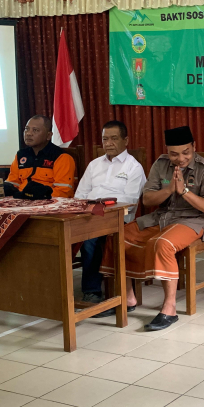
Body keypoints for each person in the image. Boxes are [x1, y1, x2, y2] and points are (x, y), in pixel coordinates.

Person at [101, 125, 204, 331]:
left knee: (162, 243)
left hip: (193, 220)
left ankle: (170, 308)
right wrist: (169, 189)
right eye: (174, 154)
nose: (180, 158)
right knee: (118, 236)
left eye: (185, 152)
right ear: (167, 151)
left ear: (194, 146)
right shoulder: (161, 164)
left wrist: (184, 192)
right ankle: (127, 298)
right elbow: (147, 200)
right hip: (161, 217)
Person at [74, 121, 146, 308]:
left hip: (117, 218)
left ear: (125, 140)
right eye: (105, 139)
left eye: (114, 138)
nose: (109, 143)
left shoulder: (133, 167)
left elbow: (130, 201)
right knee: (62, 235)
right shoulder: (94, 165)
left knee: (89, 239)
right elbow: (80, 195)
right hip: (88, 215)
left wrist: (101, 209)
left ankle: (92, 291)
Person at [5, 115, 76, 199]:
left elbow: (64, 192)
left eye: (35, 130)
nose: (28, 133)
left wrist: (40, 194)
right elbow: (12, 184)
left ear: (48, 135)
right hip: (21, 200)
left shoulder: (61, 157)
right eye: (26, 129)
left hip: (48, 202)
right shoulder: (21, 155)